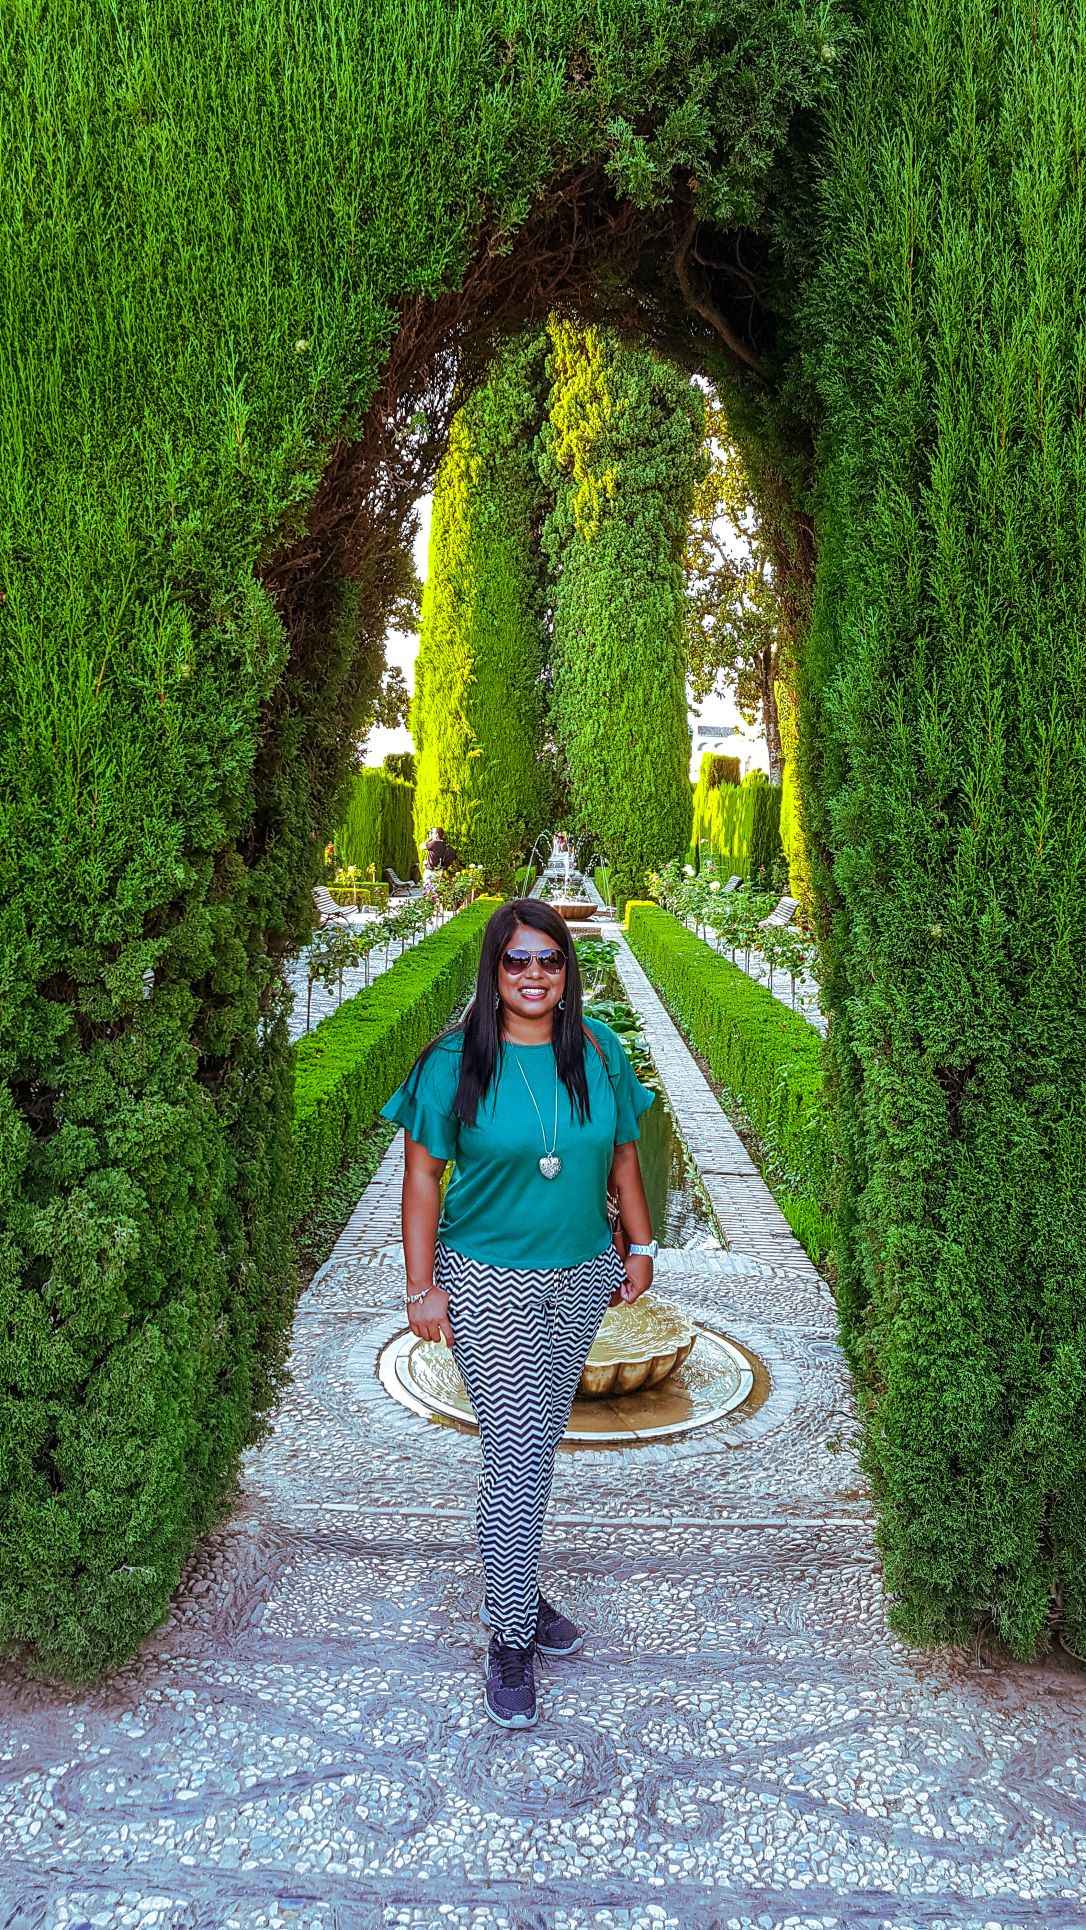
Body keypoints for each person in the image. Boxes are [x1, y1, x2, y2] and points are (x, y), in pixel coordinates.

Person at [379, 897, 657, 1730]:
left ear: (566, 971)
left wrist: (640, 1246)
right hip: (485, 1279)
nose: (534, 974)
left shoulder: (598, 1051)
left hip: (579, 1276)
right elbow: (423, 1179)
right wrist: (421, 1288)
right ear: (494, 970)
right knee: (518, 1453)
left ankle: (518, 1593)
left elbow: (623, 1153)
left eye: (549, 960)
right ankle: (509, 1635)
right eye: (516, 960)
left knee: (533, 1449)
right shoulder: (454, 1061)